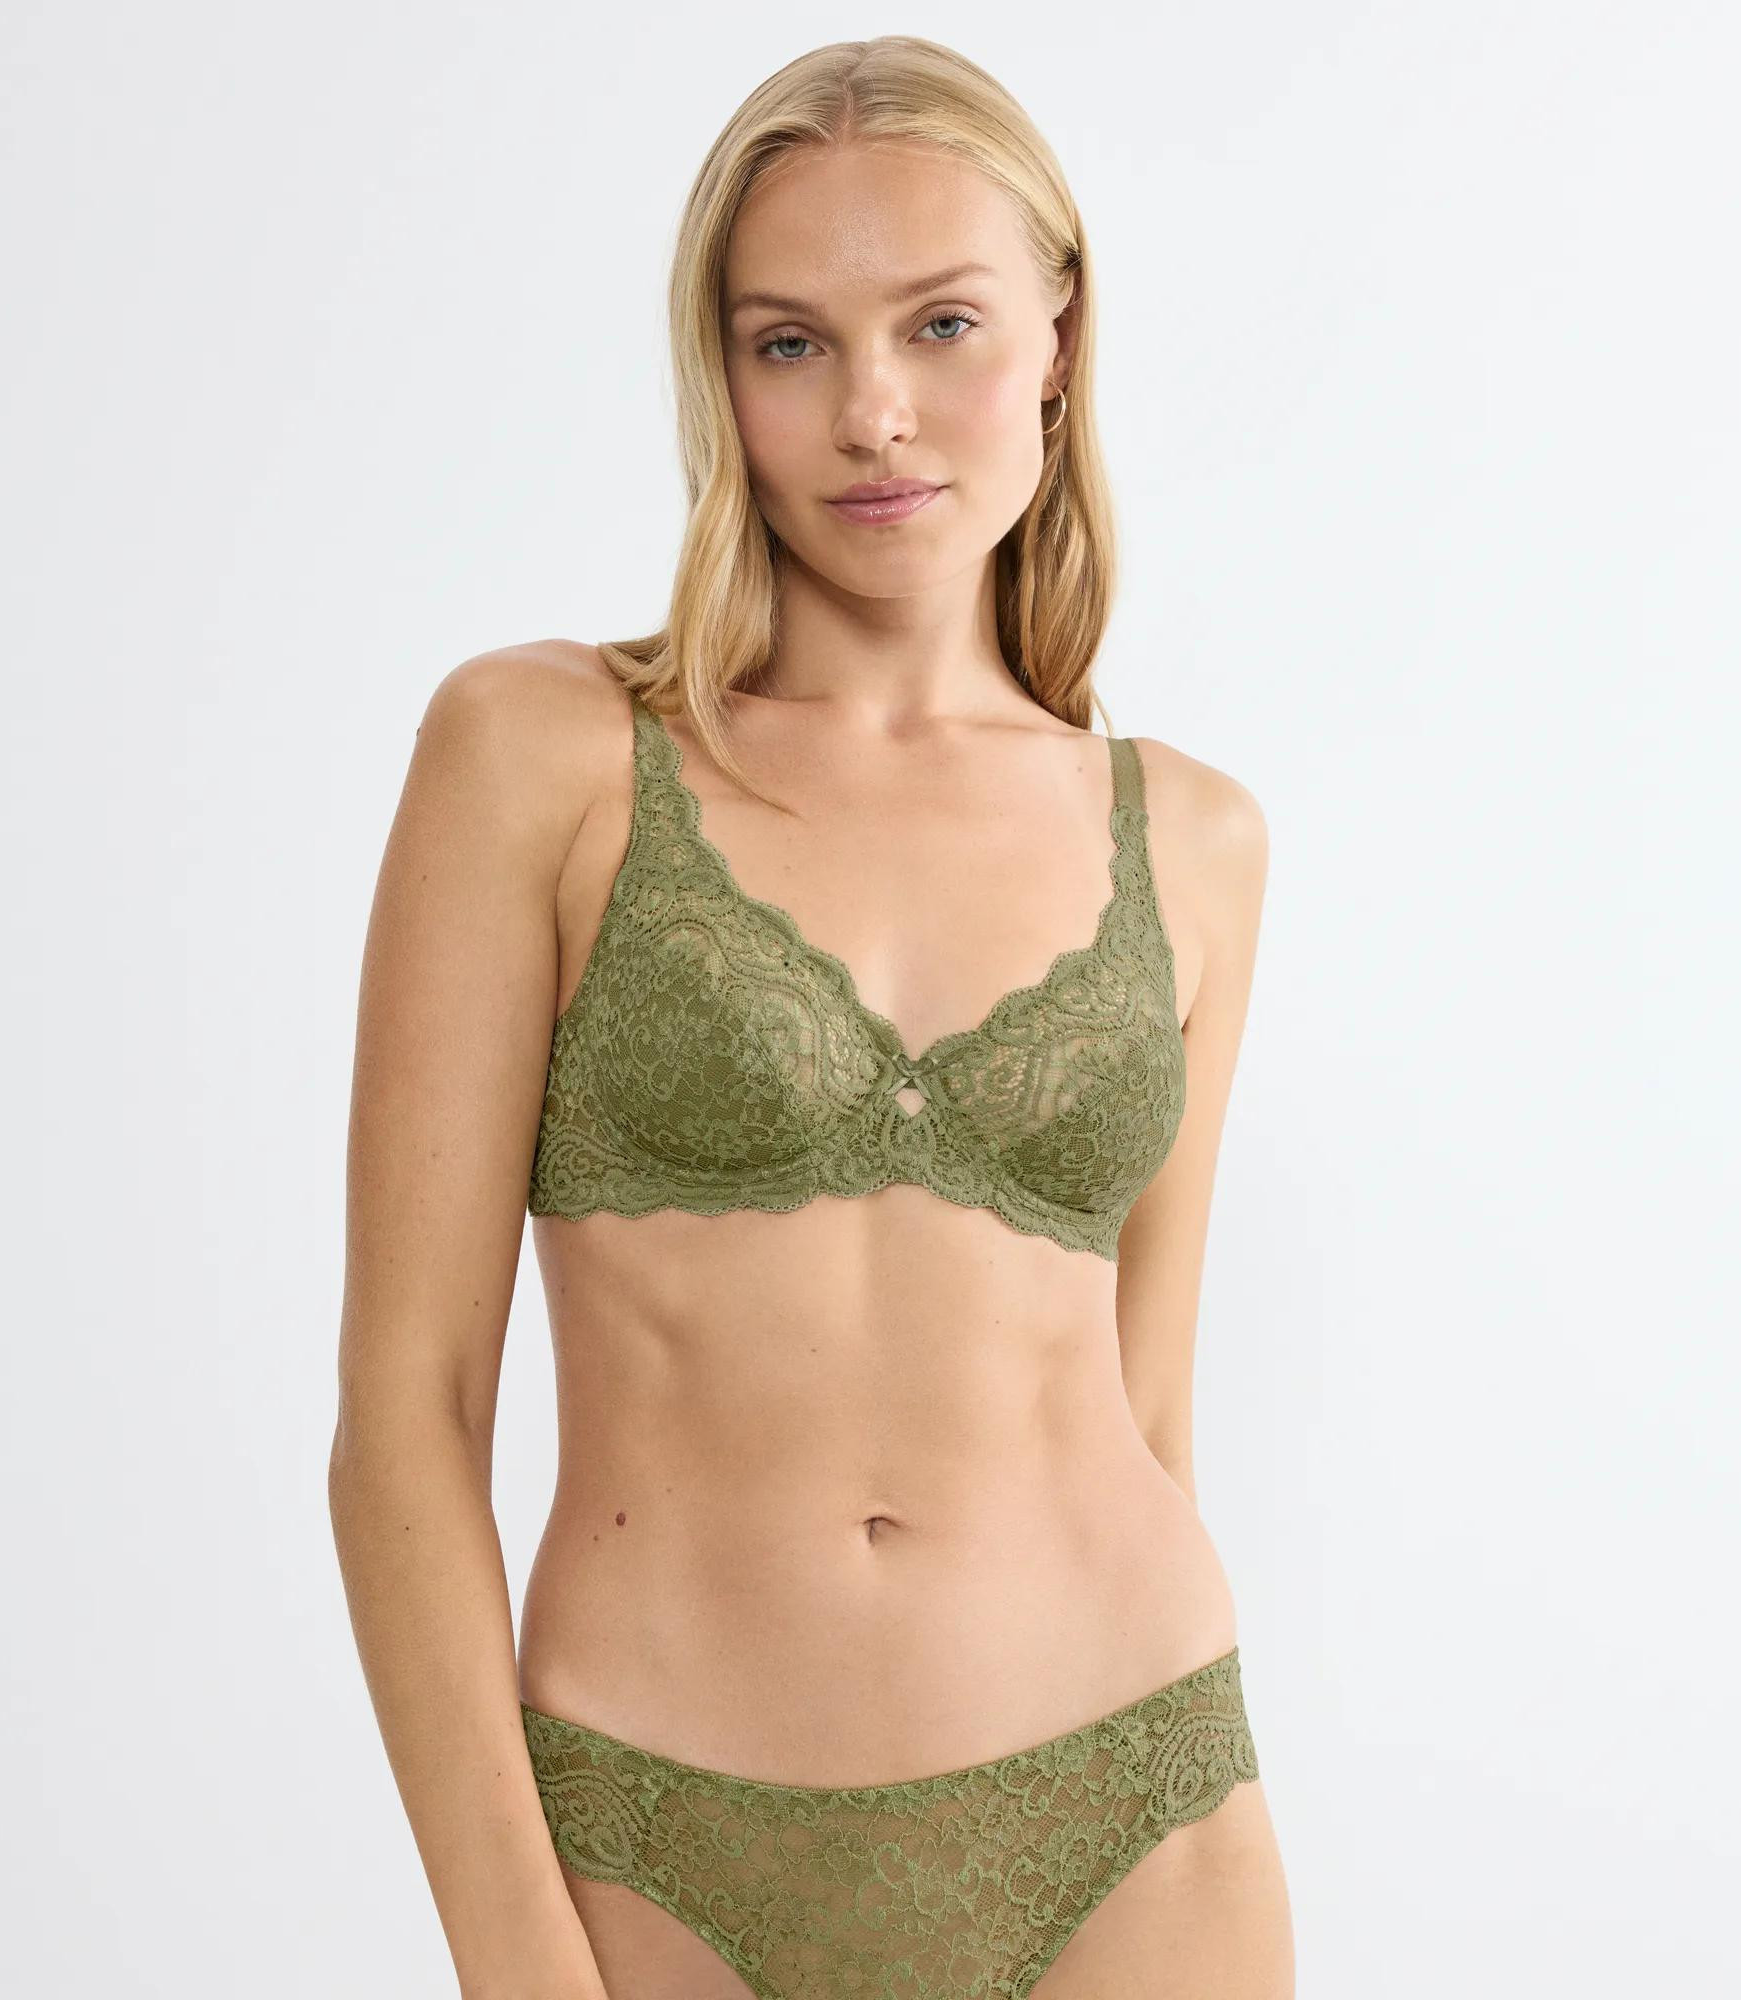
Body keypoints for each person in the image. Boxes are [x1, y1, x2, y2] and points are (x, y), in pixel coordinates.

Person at [330, 33, 1293, 2000]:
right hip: (662, 1842)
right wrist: (520, 1962)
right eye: (790, 343)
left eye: (941, 323)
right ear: (723, 378)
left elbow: (1146, 1409)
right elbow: (407, 1423)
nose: (873, 412)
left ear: (1057, 337)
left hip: (1136, 1819)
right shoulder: (542, 756)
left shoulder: (1191, 840)